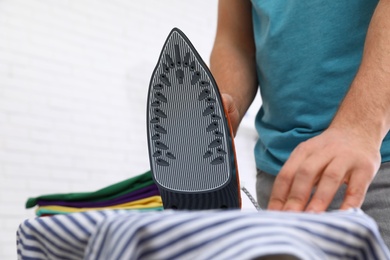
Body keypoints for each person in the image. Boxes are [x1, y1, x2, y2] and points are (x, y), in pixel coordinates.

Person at [210, 0, 390, 247]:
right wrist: (226, 103)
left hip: (374, 168)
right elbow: (235, 40)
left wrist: (360, 126)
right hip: (278, 177)